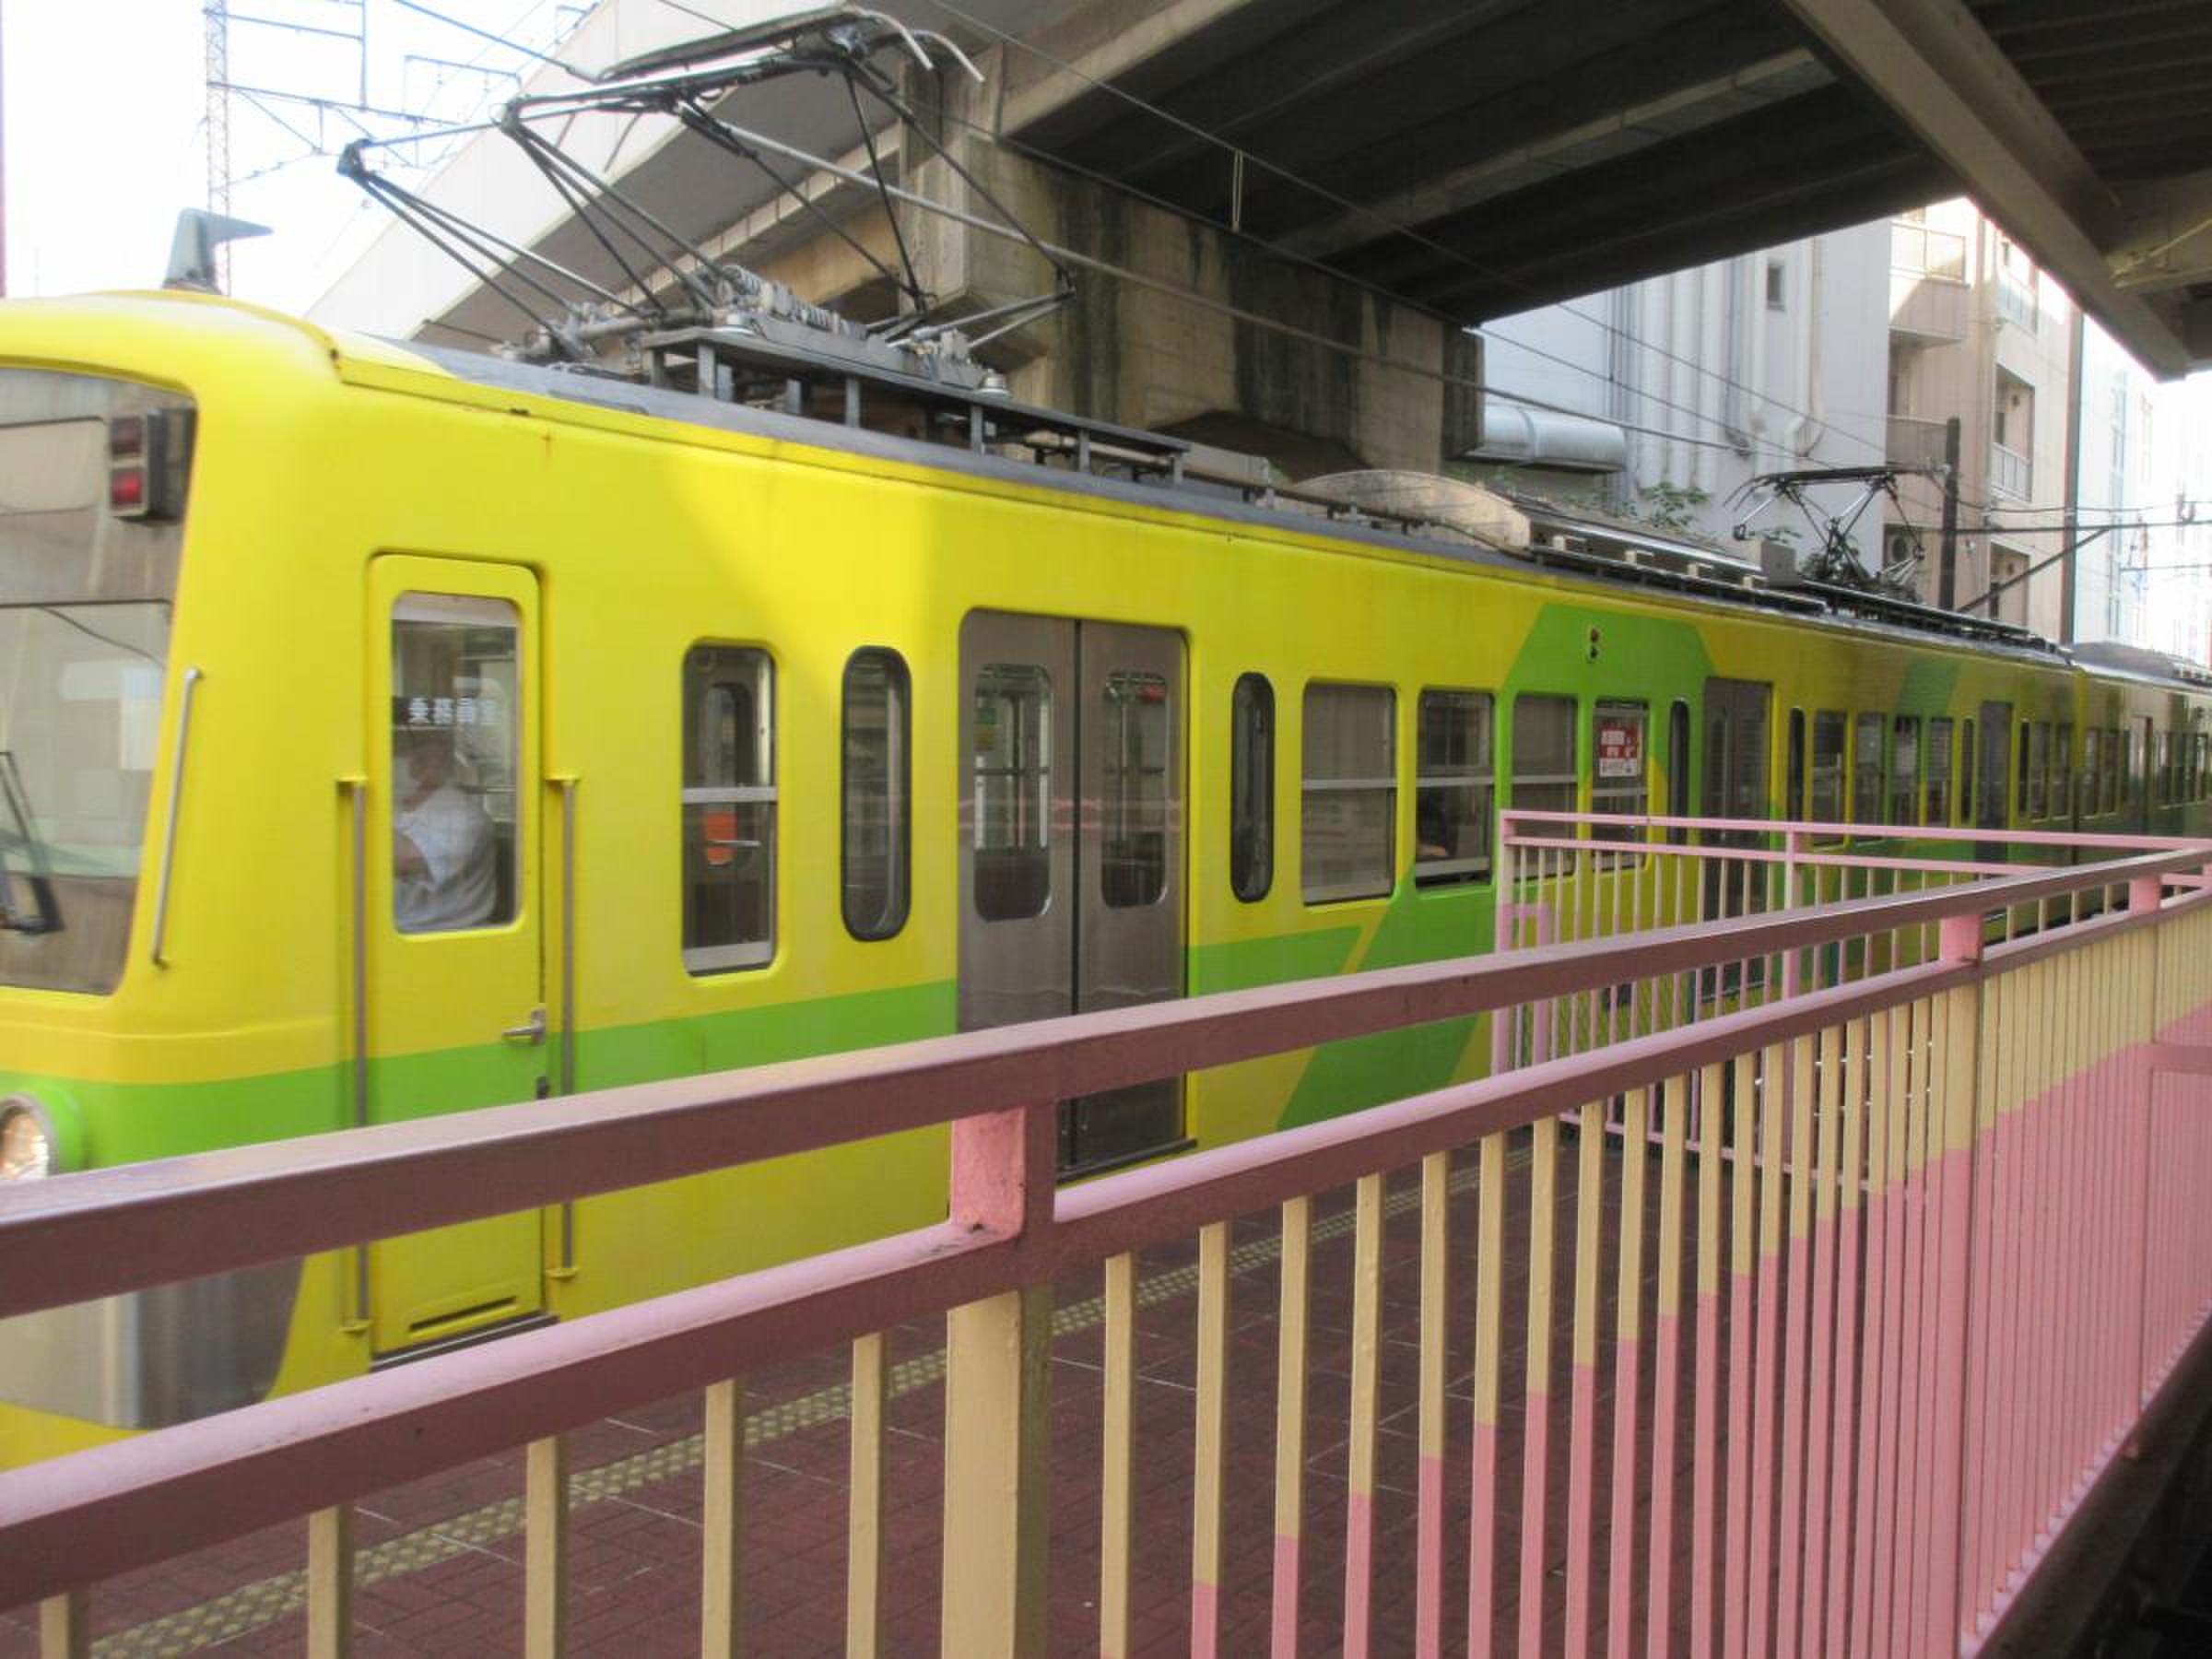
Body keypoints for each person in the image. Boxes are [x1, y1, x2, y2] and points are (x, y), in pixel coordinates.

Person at [393, 726, 497, 932]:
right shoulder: (397, 805)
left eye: (404, 751)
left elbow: (404, 860)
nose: (396, 759)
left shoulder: (462, 814)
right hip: (392, 932)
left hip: (442, 938)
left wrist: (365, 805)